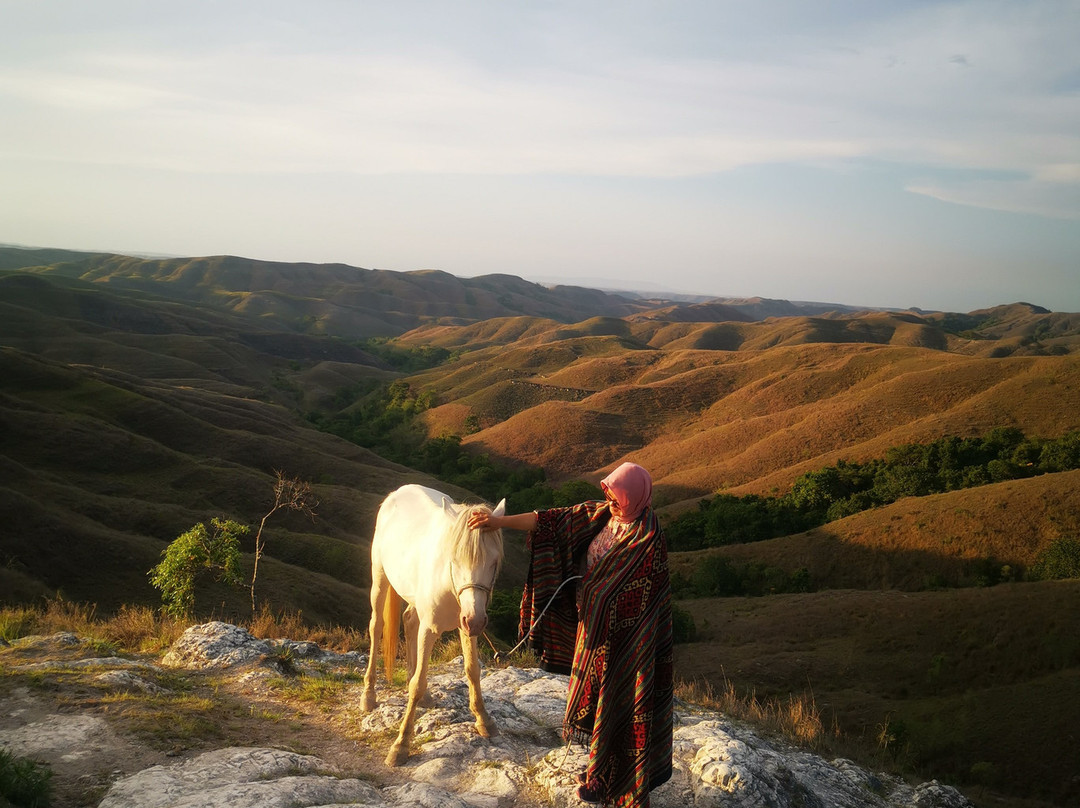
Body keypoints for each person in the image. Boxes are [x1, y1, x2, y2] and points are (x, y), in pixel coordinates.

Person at [469, 462, 673, 807]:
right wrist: (498, 522)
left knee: (621, 709)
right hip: (592, 635)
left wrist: (597, 595)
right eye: (608, 492)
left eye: (617, 495)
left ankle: (625, 787)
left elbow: (642, 599)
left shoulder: (648, 539)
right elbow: (547, 520)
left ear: (636, 495)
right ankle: (599, 775)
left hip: (629, 646)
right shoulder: (600, 515)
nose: (610, 499)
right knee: (598, 709)